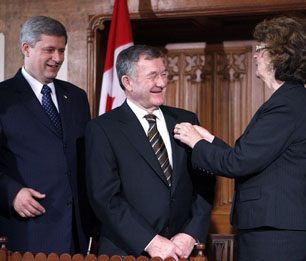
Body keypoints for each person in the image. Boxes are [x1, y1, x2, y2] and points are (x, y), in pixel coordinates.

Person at [174, 16, 306, 261]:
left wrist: (195, 142)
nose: (255, 55)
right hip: (273, 228)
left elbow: (238, 163)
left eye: (260, 49)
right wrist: (210, 140)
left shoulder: (286, 105)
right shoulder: (289, 100)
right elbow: (251, 156)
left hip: (275, 233)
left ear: (279, 55)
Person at [85, 45, 214, 259]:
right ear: (127, 82)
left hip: (183, 250)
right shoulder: (102, 129)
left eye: (164, 74)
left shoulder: (187, 120)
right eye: (153, 76)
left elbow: (205, 184)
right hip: (127, 251)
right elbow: (105, 197)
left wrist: (190, 234)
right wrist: (150, 241)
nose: (162, 83)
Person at [0, 16, 91, 255]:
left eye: (61, 50)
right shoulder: (3, 98)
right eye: (49, 50)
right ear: (26, 48)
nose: (58, 58)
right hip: (26, 231)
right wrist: (11, 193)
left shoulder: (77, 97)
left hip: (74, 232)